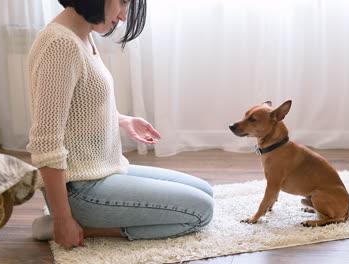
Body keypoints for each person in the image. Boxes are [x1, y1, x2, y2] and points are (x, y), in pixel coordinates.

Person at [27, 0, 214, 249]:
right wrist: (63, 220)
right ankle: (78, 227)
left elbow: (78, 106)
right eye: (123, 2)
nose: (124, 17)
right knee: (201, 211)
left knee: (205, 191)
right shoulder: (60, 45)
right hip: (81, 190)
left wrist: (123, 120)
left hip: (103, 169)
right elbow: (46, 143)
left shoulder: (82, 35)